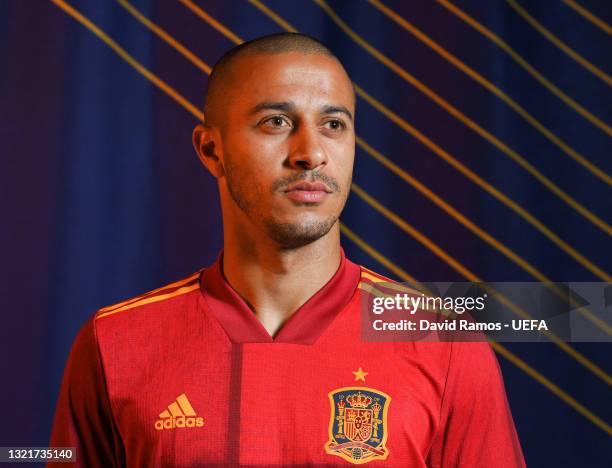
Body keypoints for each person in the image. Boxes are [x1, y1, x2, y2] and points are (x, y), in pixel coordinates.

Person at [49, 32, 525, 467]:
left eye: (334, 124)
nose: (311, 152)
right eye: (276, 121)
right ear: (211, 150)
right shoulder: (114, 342)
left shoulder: (444, 344)